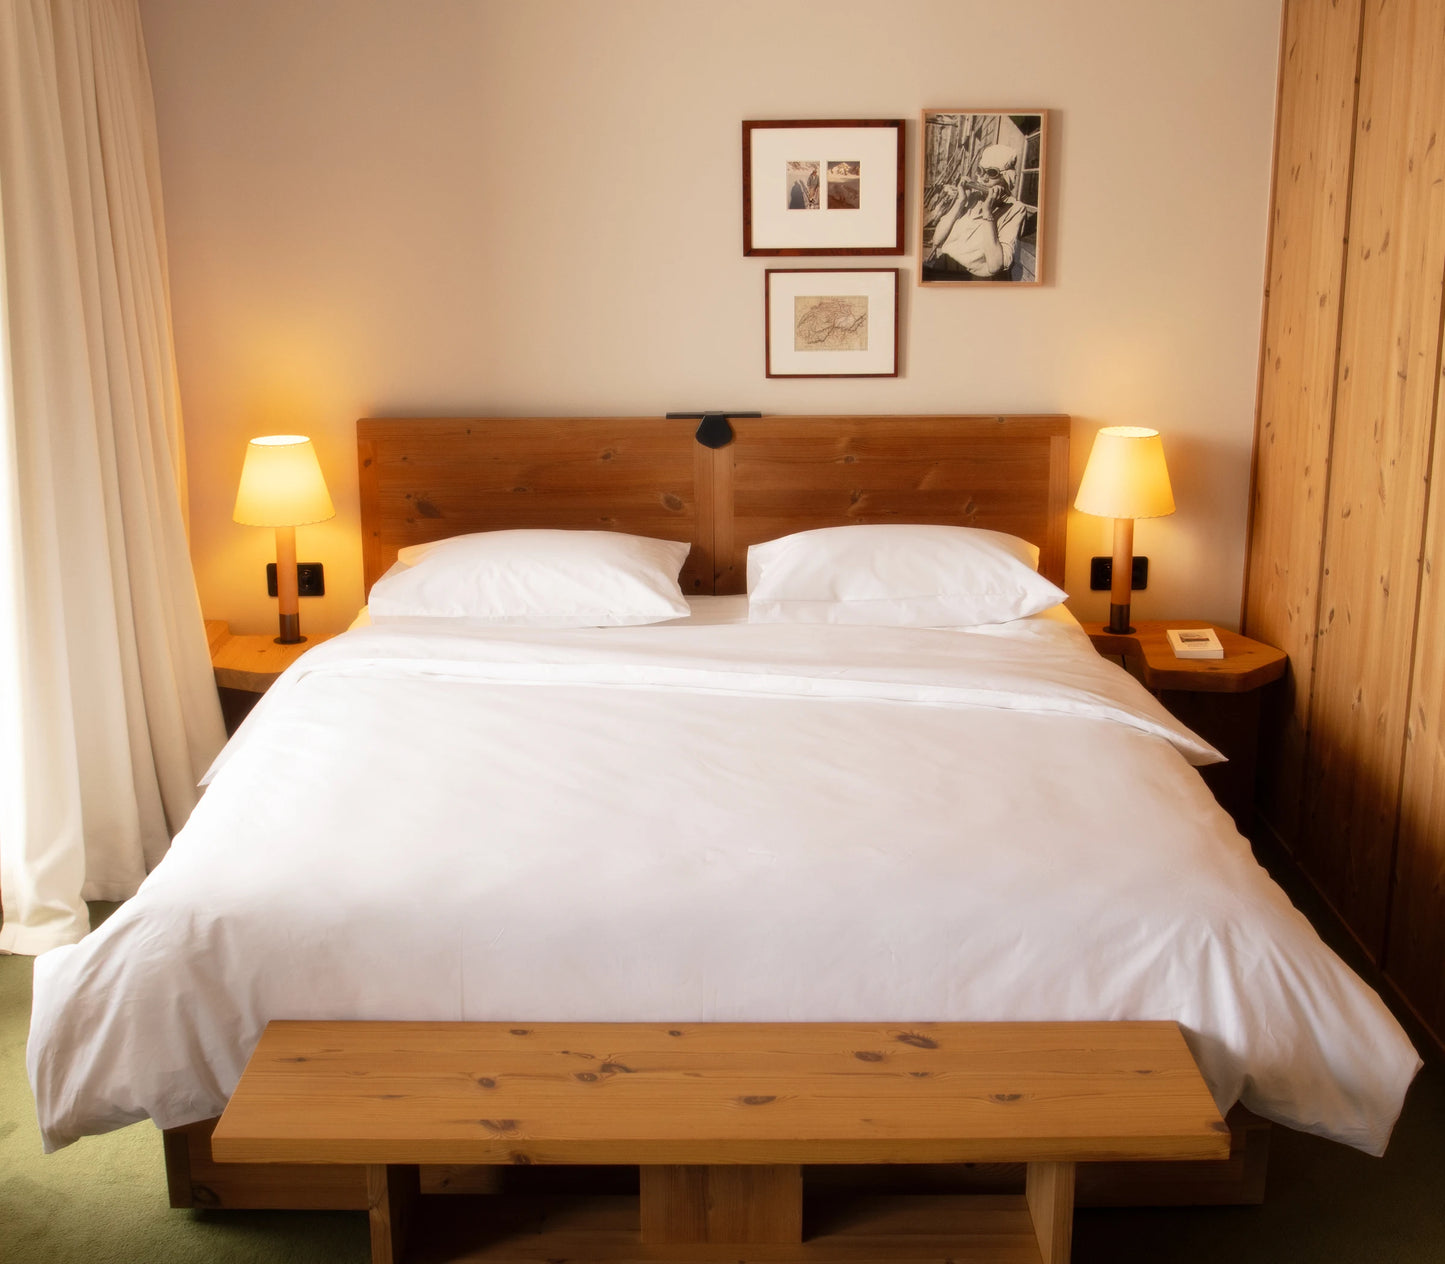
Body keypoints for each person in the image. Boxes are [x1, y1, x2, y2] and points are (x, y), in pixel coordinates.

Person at [925, 143, 1031, 281]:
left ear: (1006, 178)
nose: (984, 178)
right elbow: (937, 240)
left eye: (992, 173)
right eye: (981, 171)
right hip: (944, 265)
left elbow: (995, 266)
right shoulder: (973, 197)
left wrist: (988, 214)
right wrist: (960, 201)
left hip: (973, 279)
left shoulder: (1015, 208)